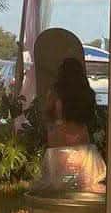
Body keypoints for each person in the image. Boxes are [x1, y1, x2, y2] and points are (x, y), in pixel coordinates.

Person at [33, 56, 105, 193]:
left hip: (59, 136)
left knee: (57, 182)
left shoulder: (55, 92)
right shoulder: (87, 93)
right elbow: (90, 117)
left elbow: (48, 113)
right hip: (81, 134)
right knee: (84, 181)